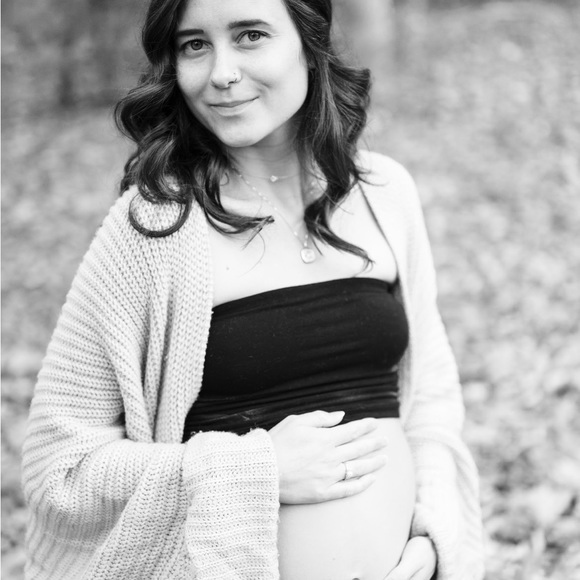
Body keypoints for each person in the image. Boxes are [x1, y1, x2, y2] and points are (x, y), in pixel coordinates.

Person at [21, 0, 484, 578]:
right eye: (194, 44)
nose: (221, 73)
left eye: (250, 35)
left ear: (310, 45)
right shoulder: (151, 230)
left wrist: (435, 534)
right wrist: (255, 469)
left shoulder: (385, 194)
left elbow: (431, 404)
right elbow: (59, 471)